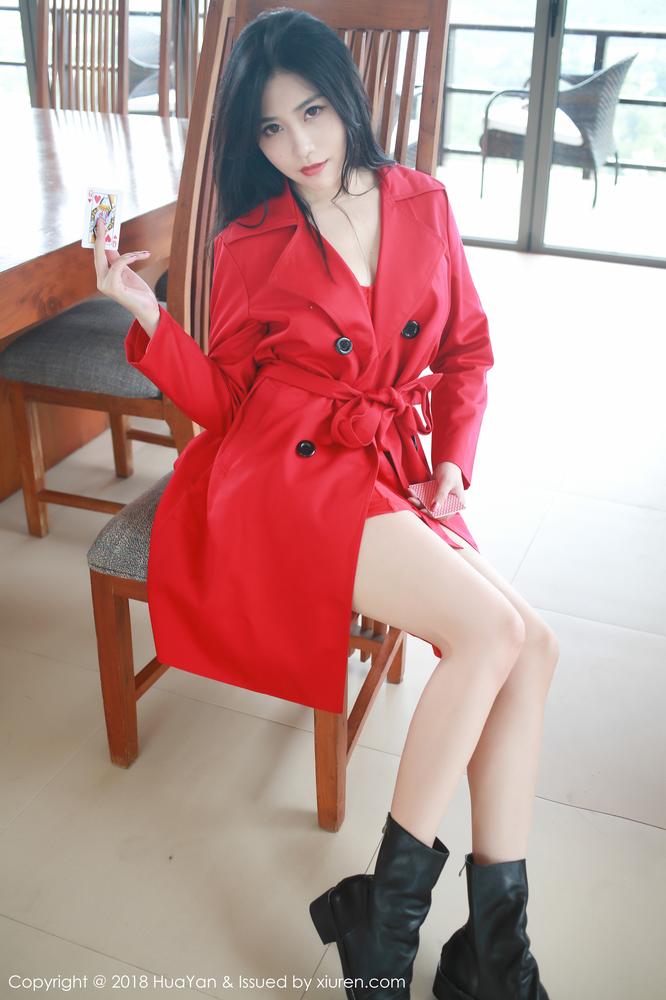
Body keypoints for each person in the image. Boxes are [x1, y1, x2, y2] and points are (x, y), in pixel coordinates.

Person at [92, 8, 559, 1000]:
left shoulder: (423, 202)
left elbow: (468, 353)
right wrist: (149, 317)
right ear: (252, 139)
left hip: (385, 459)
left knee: (535, 647)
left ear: (346, 98)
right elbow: (227, 402)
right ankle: (387, 929)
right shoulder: (250, 239)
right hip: (287, 474)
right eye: (271, 127)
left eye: (312, 111)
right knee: (489, 633)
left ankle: (493, 948)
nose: (299, 145)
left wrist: (454, 462)